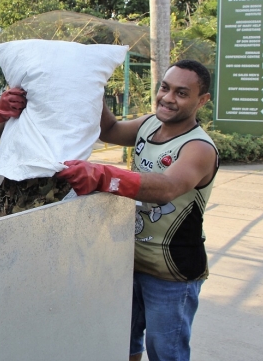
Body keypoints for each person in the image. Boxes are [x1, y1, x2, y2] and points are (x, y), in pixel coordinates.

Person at [55, 60, 219, 361]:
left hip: (172, 273)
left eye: (182, 93)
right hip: (127, 262)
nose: (168, 98)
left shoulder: (199, 148)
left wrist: (105, 176)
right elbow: (110, 130)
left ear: (202, 100)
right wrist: (94, 88)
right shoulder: (150, 125)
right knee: (123, 343)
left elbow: (168, 188)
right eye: (165, 88)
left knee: (165, 353)